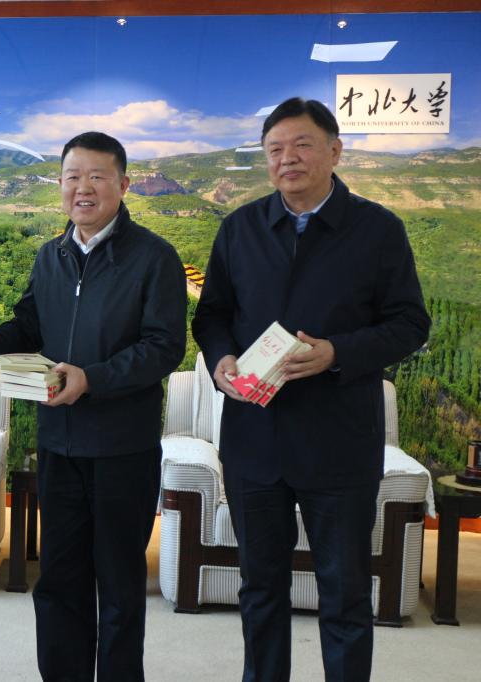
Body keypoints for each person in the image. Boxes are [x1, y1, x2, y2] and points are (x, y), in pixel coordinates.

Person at [191, 97, 431, 681]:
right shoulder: (240, 228)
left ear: (335, 151)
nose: (287, 159)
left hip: (339, 441)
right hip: (254, 439)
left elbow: (409, 324)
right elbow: (212, 315)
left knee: (345, 592)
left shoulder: (378, 229)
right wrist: (221, 360)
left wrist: (336, 353)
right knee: (260, 589)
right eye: (275, 149)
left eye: (302, 145)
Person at [0, 131, 187, 682]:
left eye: (96, 176)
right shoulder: (52, 255)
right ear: (59, 185)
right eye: (72, 177)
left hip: (123, 449)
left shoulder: (154, 257)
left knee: (120, 587)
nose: (83, 188)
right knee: (59, 582)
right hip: (59, 445)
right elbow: (29, 325)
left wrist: (93, 379)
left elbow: (164, 347)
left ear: (123, 185)